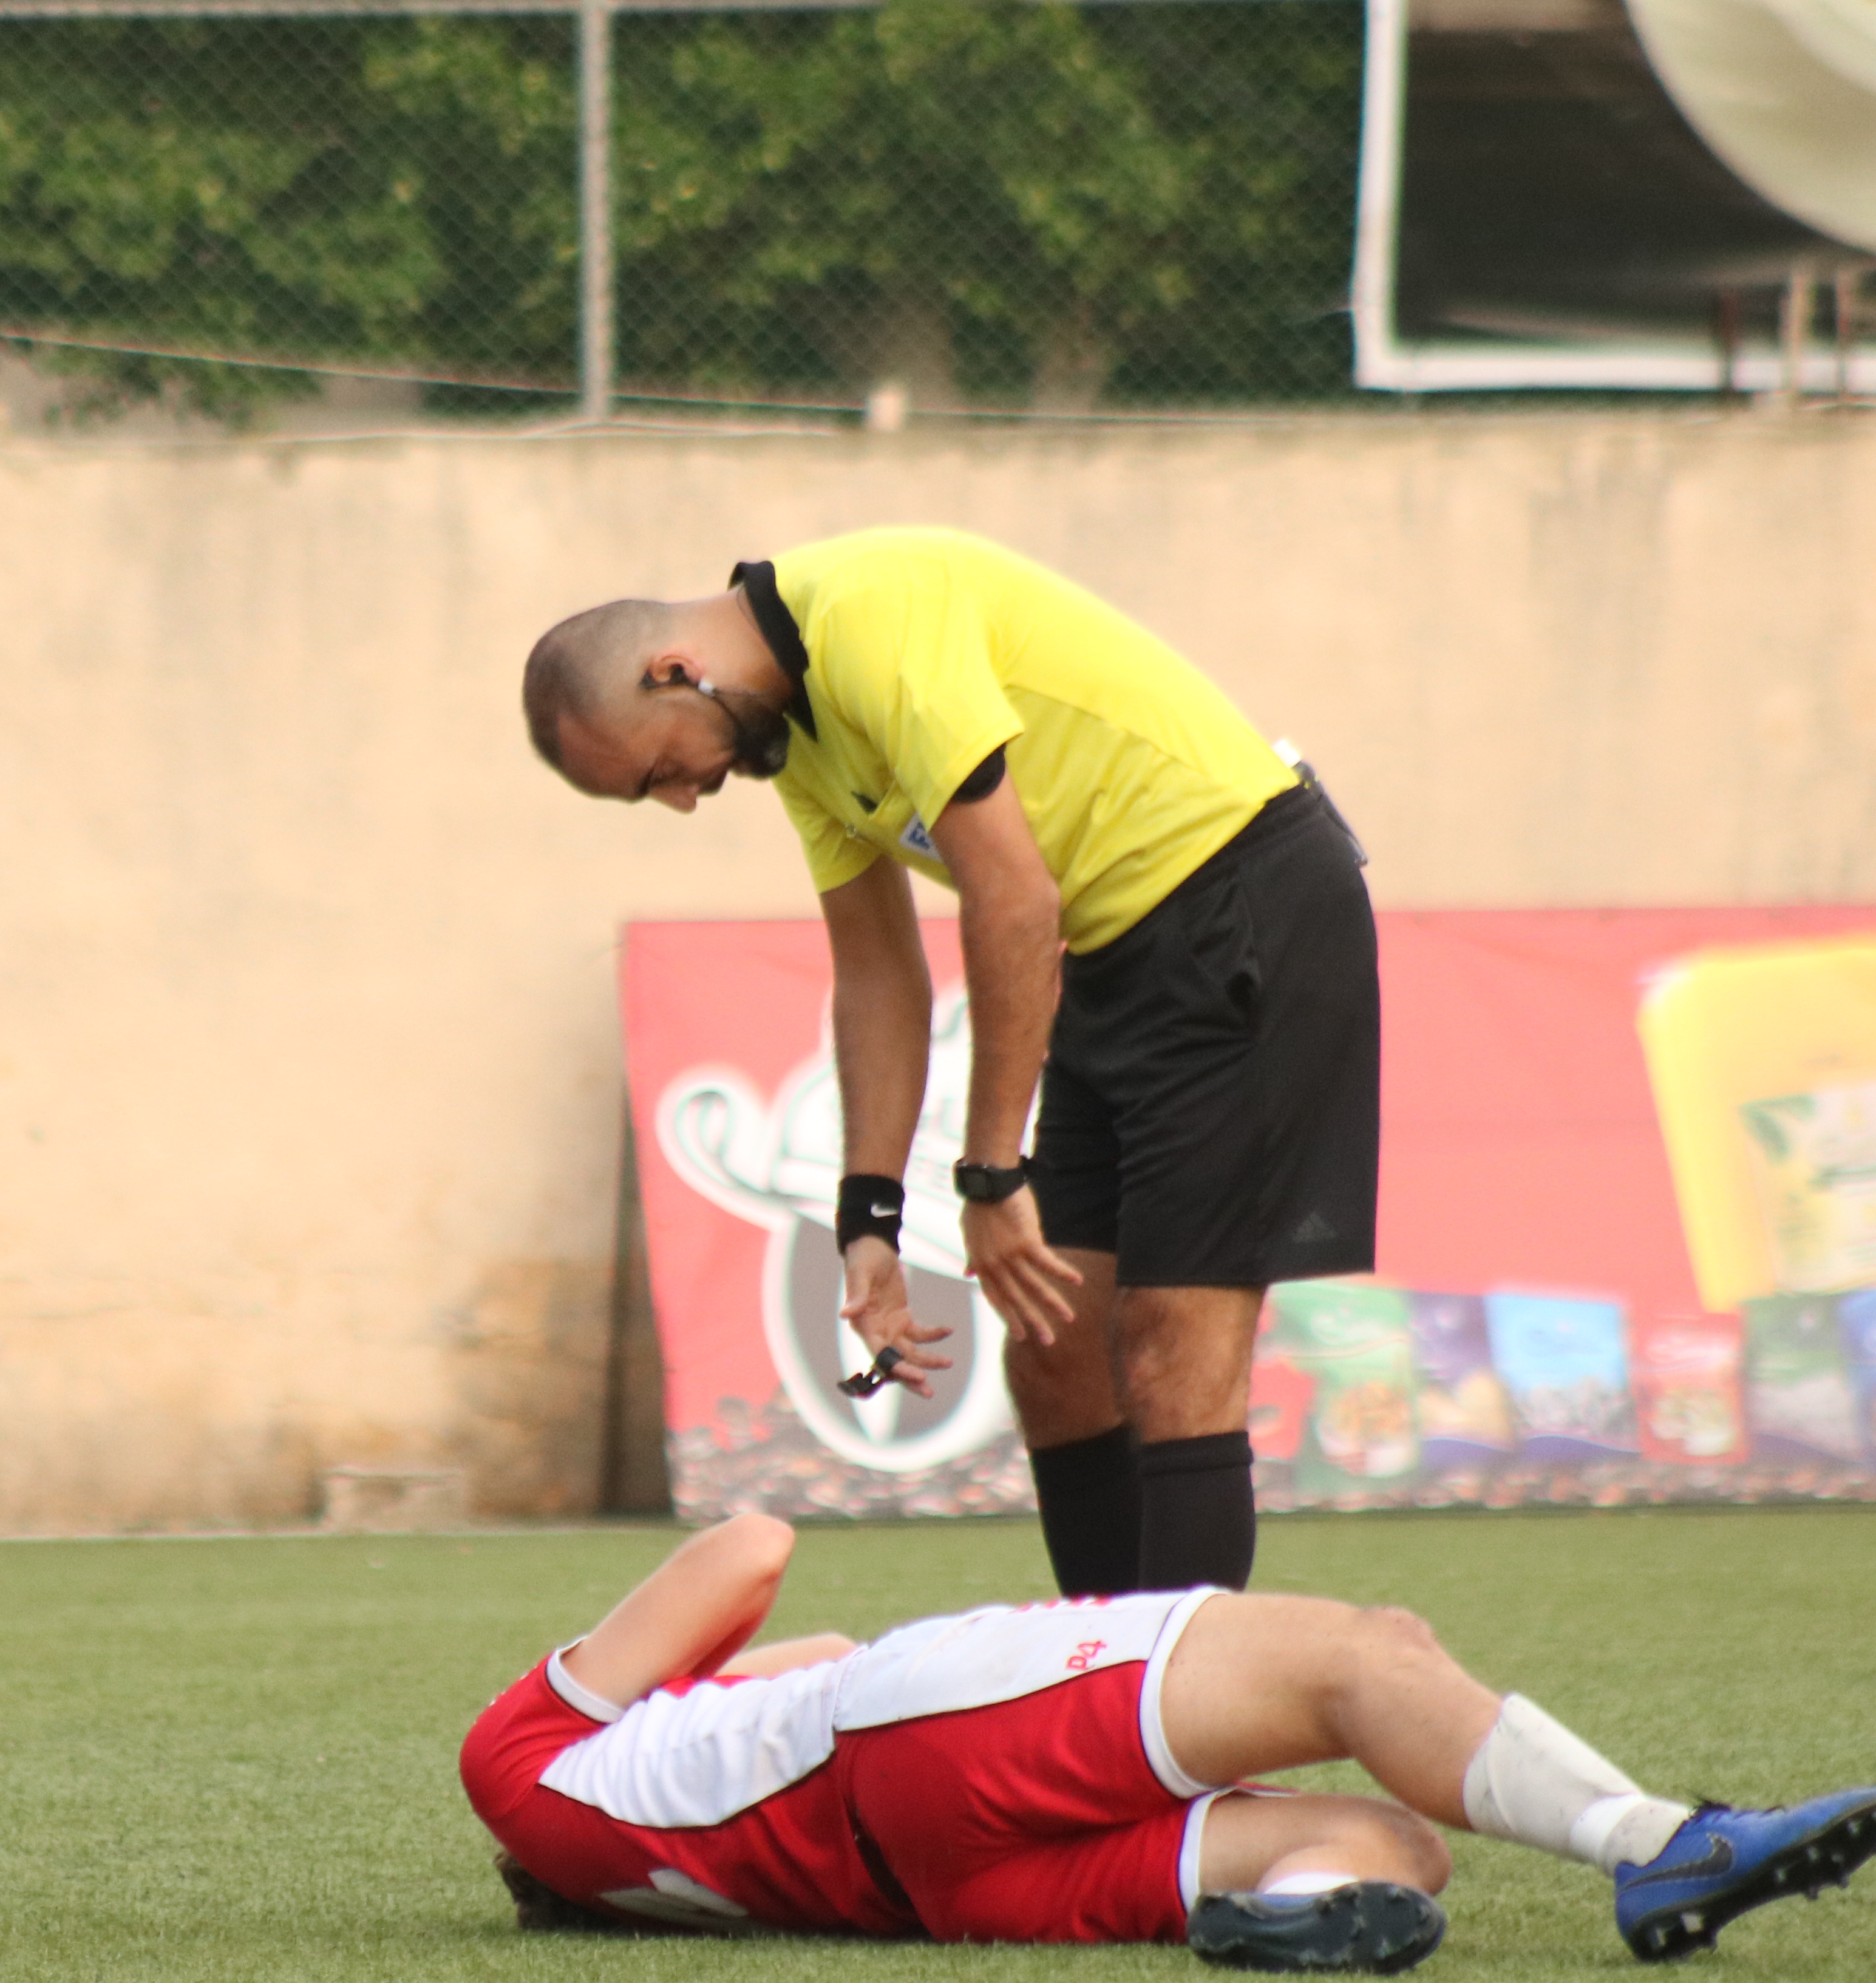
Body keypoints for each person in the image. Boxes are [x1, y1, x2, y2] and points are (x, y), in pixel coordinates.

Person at [523, 529, 1378, 1599]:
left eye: (658, 773)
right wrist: (866, 1225)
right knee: (1056, 1352)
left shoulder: (871, 618)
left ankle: (1184, 1738)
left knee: (1170, 1349)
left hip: (1246, 908)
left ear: (671, 673)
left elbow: (1014, 900)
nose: (685, 799)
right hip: (1119, 953)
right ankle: (1103, 1697)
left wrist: (990, 1177)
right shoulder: (796, 733)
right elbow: (878, 977)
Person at [462, 1515, 1876, 1971]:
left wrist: (678, 1697)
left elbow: (788, 1667)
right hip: (909, 1741)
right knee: (1363, 1655)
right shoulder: (515, 1761)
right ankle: (1656, 1844)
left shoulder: (634, 1842)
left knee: (1392, 1852)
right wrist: (662, 1670)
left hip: (949, 1896)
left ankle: (1277, 1923)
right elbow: (754, 1551)